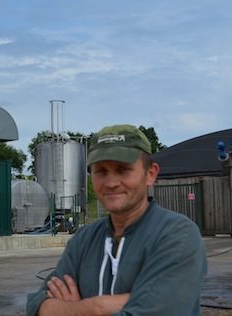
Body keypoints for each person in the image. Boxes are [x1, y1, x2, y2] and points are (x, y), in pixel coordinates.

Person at [27, 124, 207, 315]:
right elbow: (36, 306)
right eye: (101, 171)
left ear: (150, 174)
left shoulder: (176, 235)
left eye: (123, 170)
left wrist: (71, 309)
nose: (111, 183)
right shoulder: (85, 239)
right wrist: (95, 307)